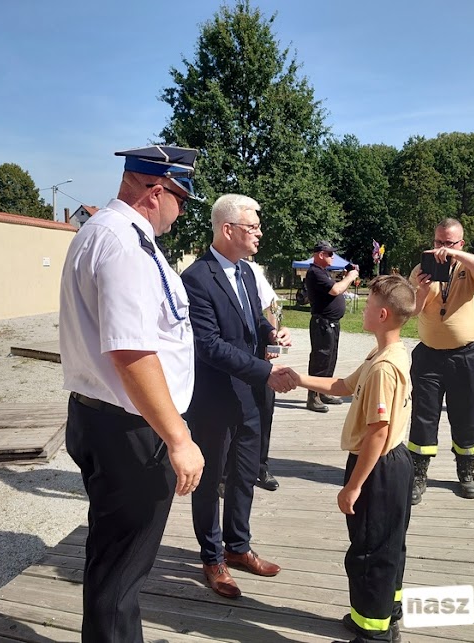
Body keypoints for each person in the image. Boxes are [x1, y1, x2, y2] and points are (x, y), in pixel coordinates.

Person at [59, 145, 205, 643]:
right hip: (132, 430)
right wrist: (178, 437)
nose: (181, 212)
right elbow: (131, 352)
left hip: (106, 418)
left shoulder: (105, 233)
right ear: (155, 191)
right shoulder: (123, 244)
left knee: (113, 558)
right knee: (123, 570)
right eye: (181, 200)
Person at [181, 193, 297, 599]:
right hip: (213, 399)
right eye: (253, 227)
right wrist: (266, 371)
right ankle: (212, 557)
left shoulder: (247, 272)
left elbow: (252, 324)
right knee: (210, 479)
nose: (260, 233)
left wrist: (272, 333)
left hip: (249, 396)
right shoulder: (196, 278)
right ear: (228, 229)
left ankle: (237, 546)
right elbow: (209, 345)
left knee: (245, 474)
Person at [297, 275, 416, 643]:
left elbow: (378, 432)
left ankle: (373, 633)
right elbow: (343, 386)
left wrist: (353, 486)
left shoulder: (382, 368)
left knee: (369, 552)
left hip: (377, 466)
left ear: (382, 315)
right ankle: (384, 613)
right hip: (395, 461)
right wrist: (297, 379)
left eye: (367, 305)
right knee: (389, 544)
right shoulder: (387, 352)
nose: (361, 308)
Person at [408, 218, 474, 505]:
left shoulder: (469, 268)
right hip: (429, 355)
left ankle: (466, 471)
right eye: (438, 242)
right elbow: (412, 311)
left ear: (461, 243)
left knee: (467, 414)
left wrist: (458, 256)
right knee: (423, 415)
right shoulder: (422, 269)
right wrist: (422, 290)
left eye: (449, 243)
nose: (442, 249)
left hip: (466, 355)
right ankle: (418, 474)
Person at [305, 241, 360, 413]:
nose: (333, 257)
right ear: (321, 254)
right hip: (322, 323)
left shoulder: (323, 272)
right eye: (330, 254)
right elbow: (335, 290)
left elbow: (337, 289)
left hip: (331, 323)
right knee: (320, 360)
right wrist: (350, 277)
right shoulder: (315, 272)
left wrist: (347, 276)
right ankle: (313, 396)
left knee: (330, 359)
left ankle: (324, 391)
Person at [246, 260, 281, 492]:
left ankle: (261, 466)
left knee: (265, 410)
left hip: (260, 359)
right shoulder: (208, 272)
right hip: (232, 360)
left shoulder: (251, 270)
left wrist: (273, 337)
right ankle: (224, 473)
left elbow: (272, 307)